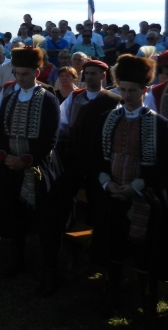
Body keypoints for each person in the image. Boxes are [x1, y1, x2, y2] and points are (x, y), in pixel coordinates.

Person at [90, 55, 168, 322]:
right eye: (123, 89)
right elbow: (96, 157)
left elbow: (163, 166)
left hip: (144, 199)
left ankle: (148, 301)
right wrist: (107, 183)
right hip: (112, 194)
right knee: (113, 247)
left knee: (145, 254)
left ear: (144, 90)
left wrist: (136, 187)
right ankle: (113, 294)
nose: (126, 95)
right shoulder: (107, 118)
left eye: (132, 90)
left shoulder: (159, 123)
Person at [0, 46, 64, 296]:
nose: (20, 78)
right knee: (16, 214)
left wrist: (27, 159)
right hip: (11, 167)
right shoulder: (10, 97)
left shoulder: (48, 99)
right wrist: (6, 156)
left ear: (36, 73)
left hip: (39, 168)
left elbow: (50, 138)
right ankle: (18, 259)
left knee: (45, 221)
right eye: (17, 73)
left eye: (25, 74)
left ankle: (50, 271)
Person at [58, 60, 120, 226]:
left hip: (98, 157)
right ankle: (63, 226)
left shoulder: (113, 100)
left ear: (103, 76)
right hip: (74, 154)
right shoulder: (75, 96)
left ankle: (94, 230)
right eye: (87, 73)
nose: (89, 76)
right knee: (66, 192)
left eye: (93, 73)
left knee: (96, 196)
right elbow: (62, 122)